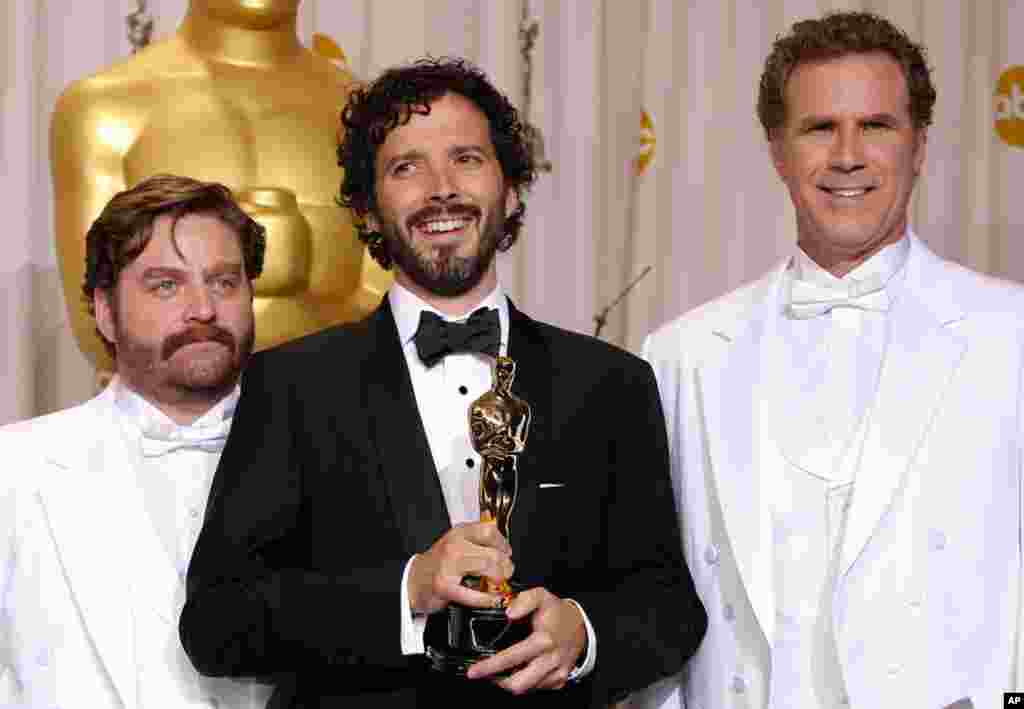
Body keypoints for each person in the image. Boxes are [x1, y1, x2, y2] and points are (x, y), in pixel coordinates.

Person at [179, 57, 706, 708]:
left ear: (511, 189)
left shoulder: (611, 383)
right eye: (407, 167)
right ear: (368, 212)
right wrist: (407, 590)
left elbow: (669, 607)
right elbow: (216, 621)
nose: (441, 189)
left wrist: (586, 633)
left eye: (466, 158)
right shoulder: (292, 385)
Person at [639, 10, 1024, 709]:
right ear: (778, 151)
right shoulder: (680, 355)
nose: (848, 154)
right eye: (820, 128)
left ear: (920, 146)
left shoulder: (1011, 334)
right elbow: (655, 603)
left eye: (876, 125)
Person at [0, 174, 274, 707]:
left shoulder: (331, 452)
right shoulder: (13, 469)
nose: (203, 309)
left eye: (223, 281)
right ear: (104, 311)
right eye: (166, 285)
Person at [51, 0, 388, 374]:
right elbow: (96, 317)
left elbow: (390, 299)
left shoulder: (368, 114)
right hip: (170, 418)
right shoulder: (104, 109)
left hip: (339, 408)